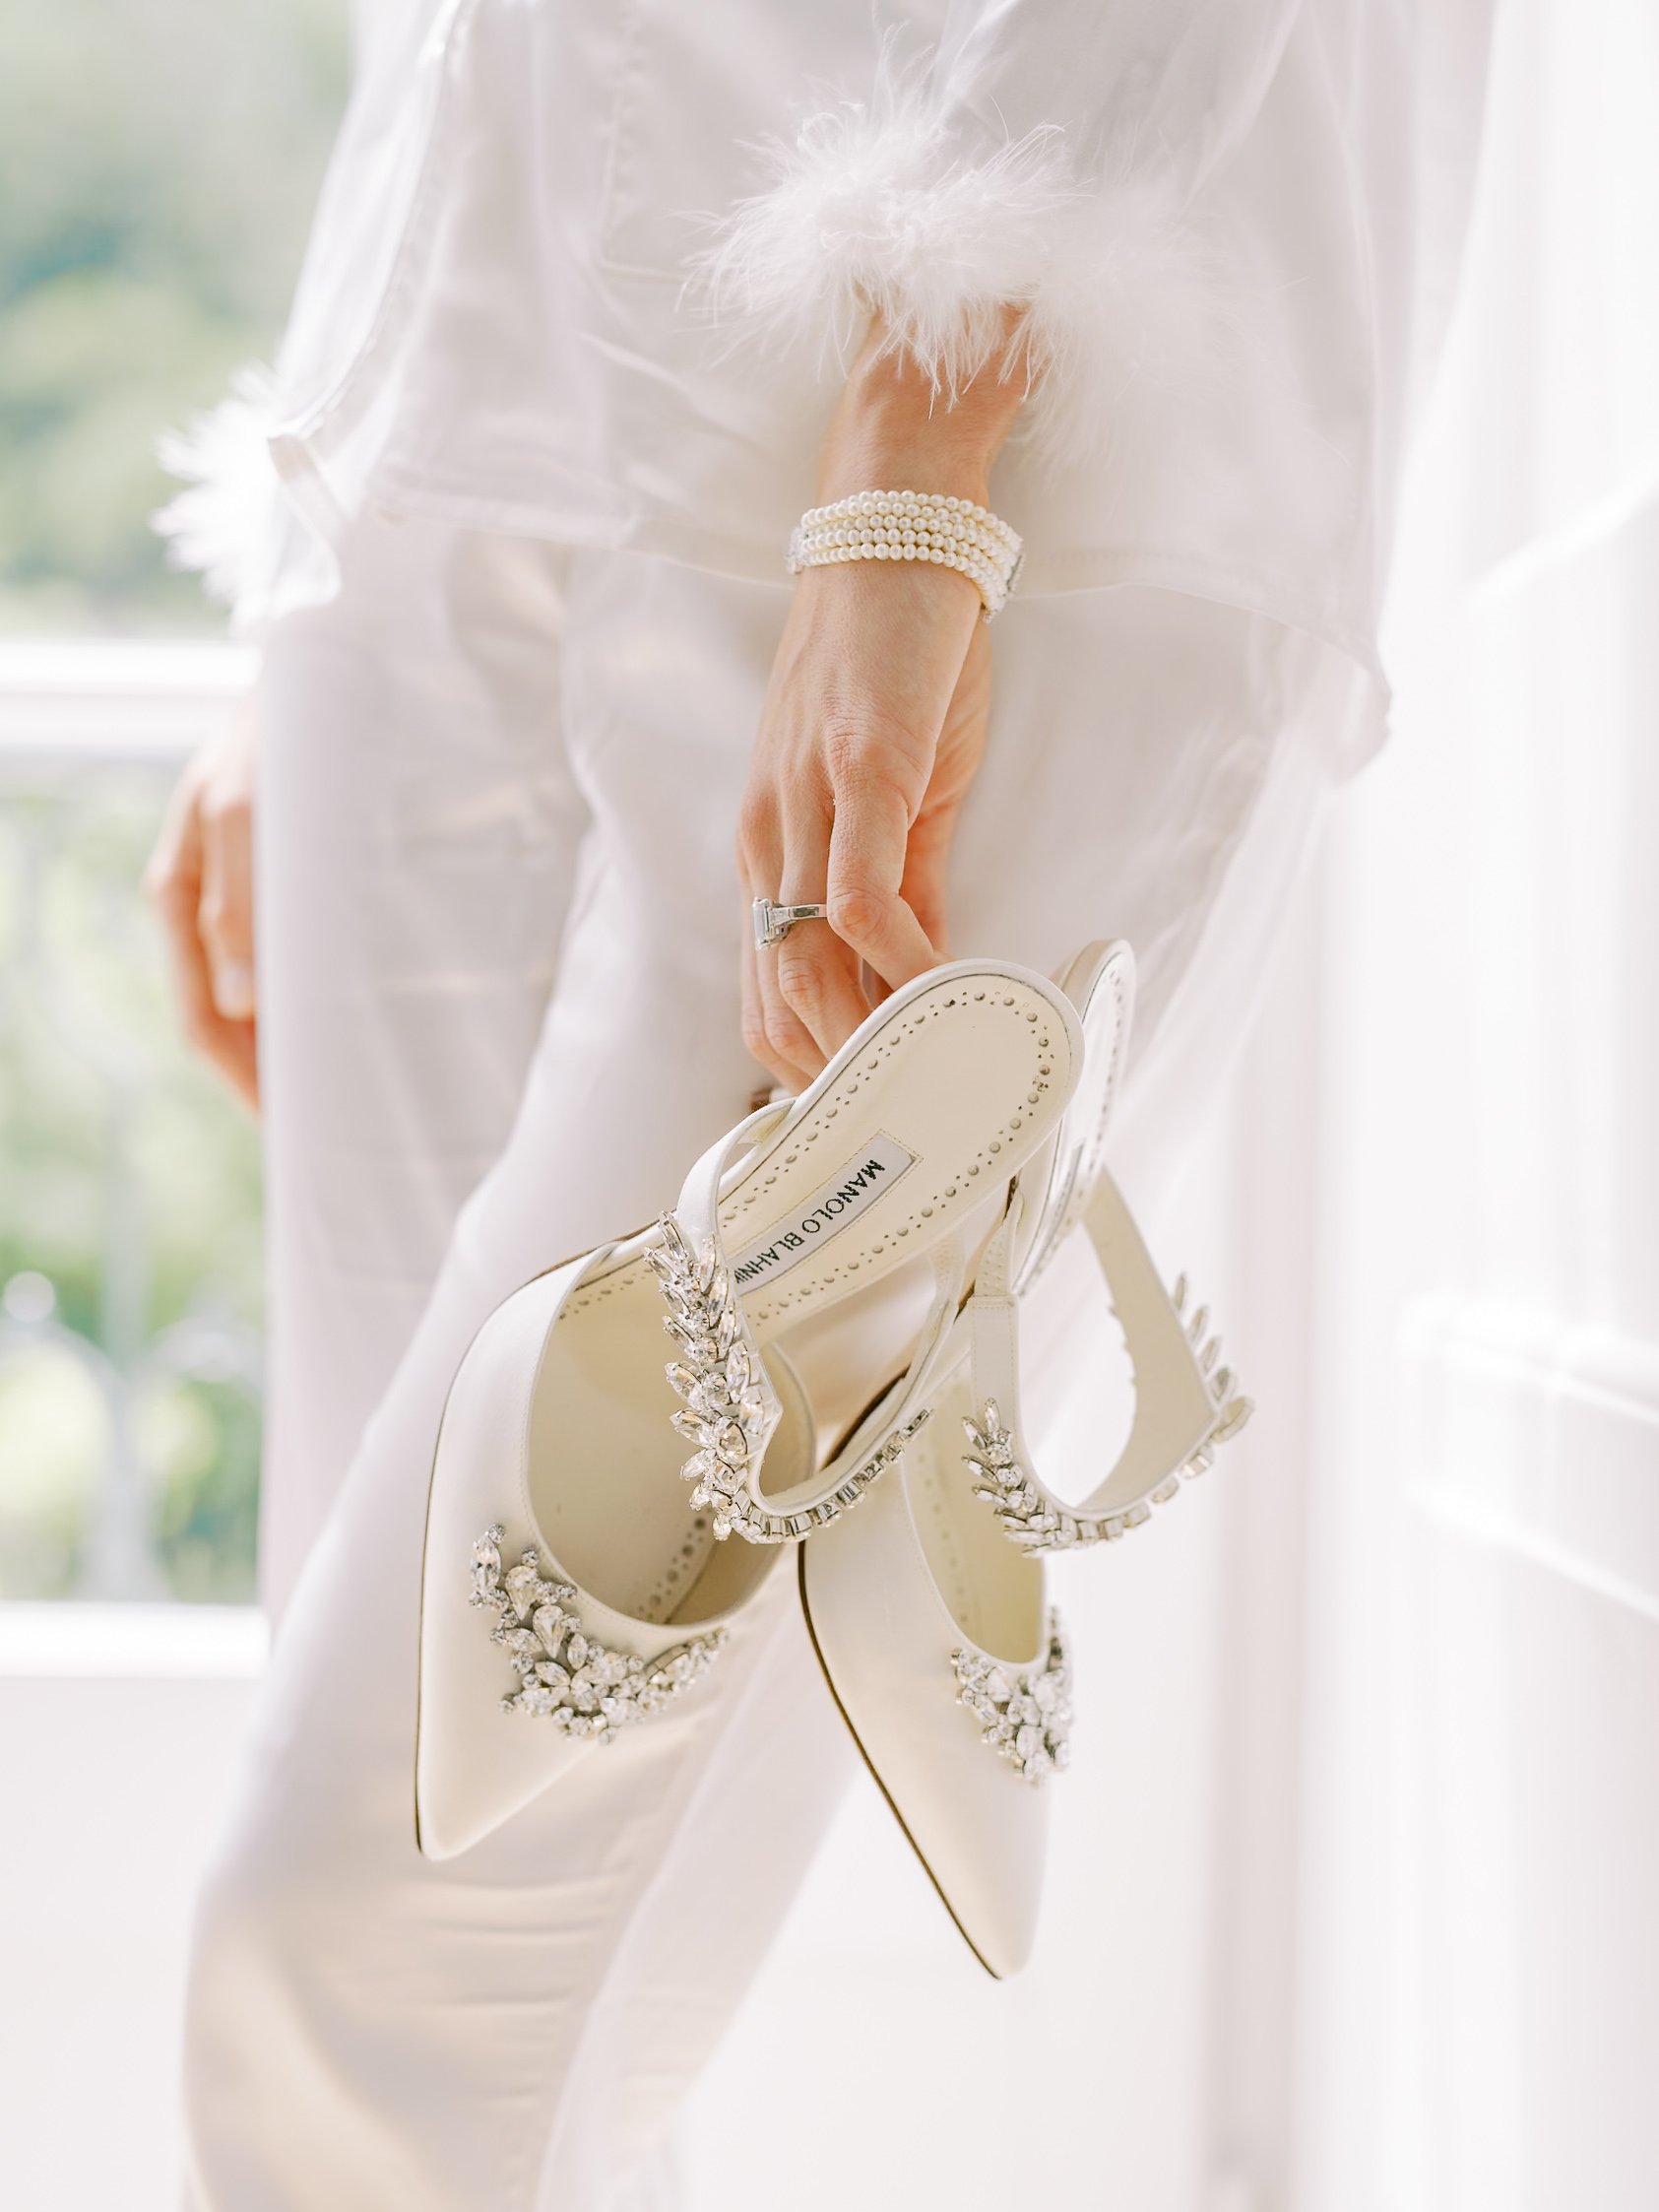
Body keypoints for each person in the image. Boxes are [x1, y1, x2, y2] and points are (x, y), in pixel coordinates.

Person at [145, 3, 1494, 2202]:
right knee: (538, 2028)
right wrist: (349, 461)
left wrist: (935, 392)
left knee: (376, 1955)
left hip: (1031, 397)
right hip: (471, 400)